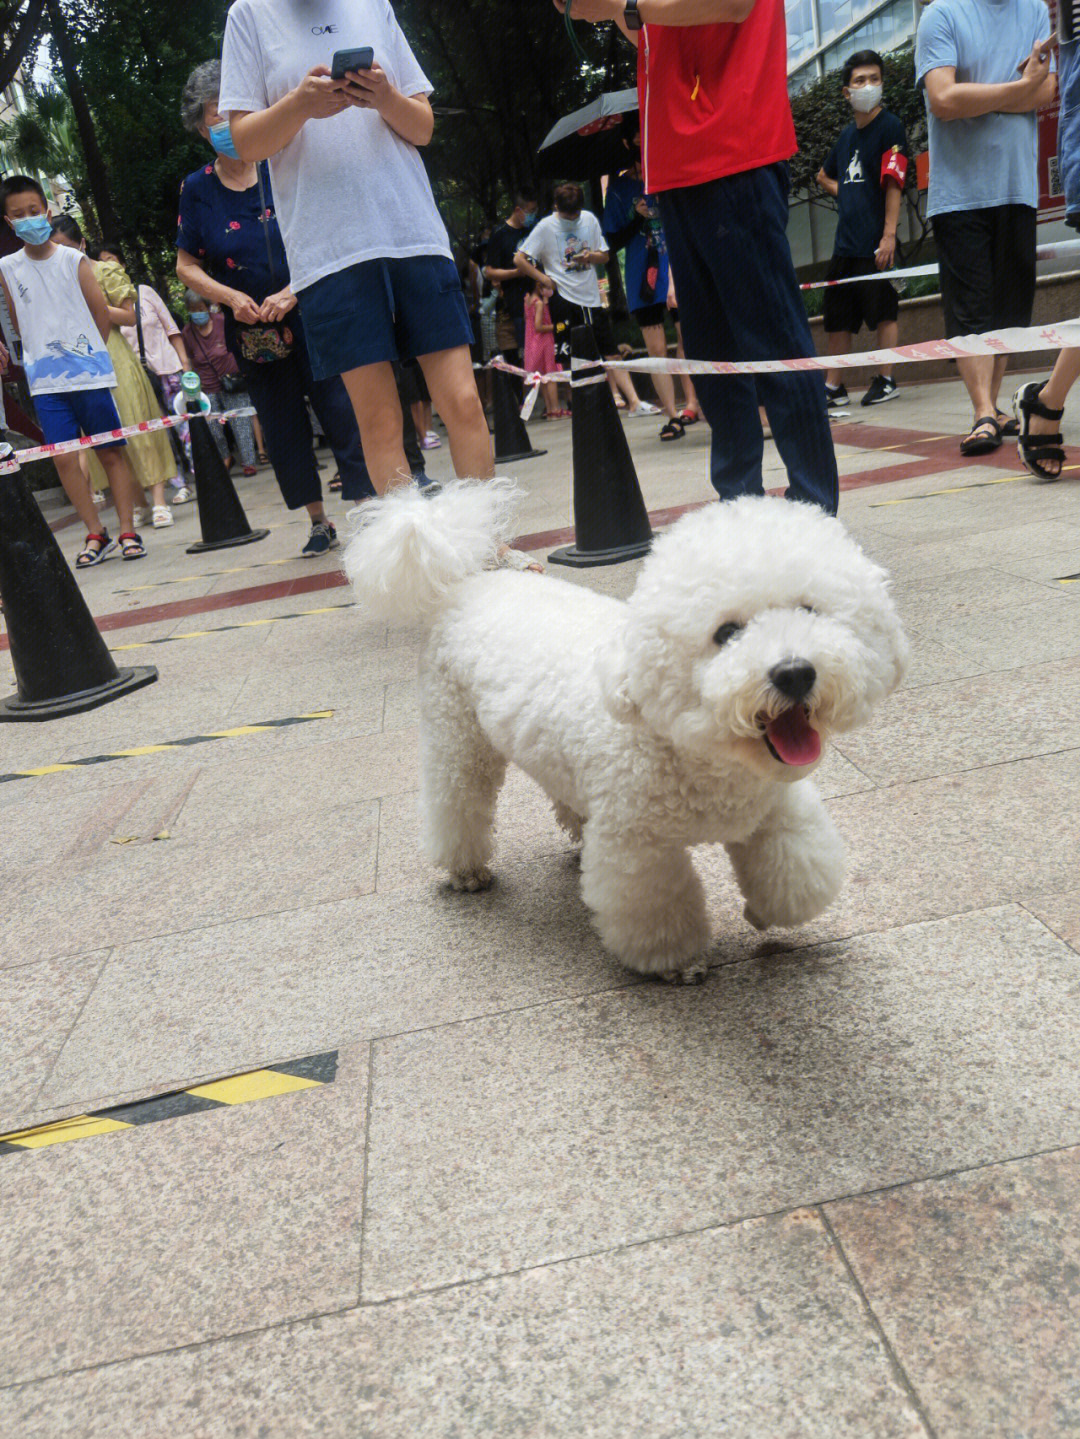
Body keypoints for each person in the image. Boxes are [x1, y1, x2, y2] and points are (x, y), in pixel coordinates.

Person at [551, 0, 838, 514]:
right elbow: (657, 39)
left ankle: (814, 514)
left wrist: (620, 4)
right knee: (712, 356)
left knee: (773, 341)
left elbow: (731, 4)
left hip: (732, 149)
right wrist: (607, 12)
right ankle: (738, 512)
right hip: (681, 168)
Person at [218, 3, 499, 501]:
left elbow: (423, 127)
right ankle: (412, 569)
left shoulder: (373, 4)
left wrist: (384, 94)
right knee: (379, 422)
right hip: (329, 248)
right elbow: (244, 142)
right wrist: (300, 103)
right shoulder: (249, 13)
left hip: (412, 230)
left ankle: (491, 544)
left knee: (463, 401)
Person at [178, 59, 375, 557]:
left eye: (232, 114)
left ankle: (370, 510)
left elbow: (330, 228)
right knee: (283, 425)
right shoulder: (197, 188)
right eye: (212, 120)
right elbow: (186, 265)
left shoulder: (285, 158)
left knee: (342, 409)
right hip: (252, 330)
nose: (224, 127)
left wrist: (294, 287)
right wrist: (229, 298)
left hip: (314, 309)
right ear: (200, 129)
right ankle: (318, 522)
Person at [916, 0, 1055, 456]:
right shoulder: (942, 14)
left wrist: (979, 98)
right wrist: (1015, 90)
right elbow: (942, 99)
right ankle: (981, 411)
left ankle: (994, 408)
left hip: (1017, 187)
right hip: (960, 193)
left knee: (1010, 311)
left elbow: (1045, 91)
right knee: (970, 314)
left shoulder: (1034, 10)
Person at [0, 175, 146, 562]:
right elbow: (16, 321)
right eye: (19, 215)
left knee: (110, 451)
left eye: (34, 210)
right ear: (8, 221)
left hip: (89, 374)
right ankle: (95, 533)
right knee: (65, 457)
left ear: (46, 210)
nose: (29, 218)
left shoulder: (73, 259)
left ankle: (128, 531)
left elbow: (100, 313)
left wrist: (86, 355)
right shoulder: (7, 267)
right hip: (46, 382)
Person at [50, 221, 180, 530]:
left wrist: (95, 308)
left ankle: (159, 499)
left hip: (115, 355)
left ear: (81, 243)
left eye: (66, 247)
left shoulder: (105, 271)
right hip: (82, 361)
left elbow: (129, 316)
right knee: (105, 435)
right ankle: (138, 502)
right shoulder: (55, 280)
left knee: (138, 423)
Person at [514, 181, 658, 417]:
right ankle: (587, 409)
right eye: (567, 215)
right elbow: (519, 259)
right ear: (555, 207)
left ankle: (634, 402)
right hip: (563, 299)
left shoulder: (589, 219)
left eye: (575, 214)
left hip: (591, 298)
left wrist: (591, 256)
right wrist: (543, 278)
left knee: (610, 351)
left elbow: (604, 255)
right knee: (571, 356)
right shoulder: (545, 227)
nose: (572, 219)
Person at [816, 50, 908, 410]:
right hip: (845, 245)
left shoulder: (891, 128)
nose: (868, 85)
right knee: (837, 317)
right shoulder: (845, 138)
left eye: (874, 78)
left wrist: (888, 235)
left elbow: (894, 185)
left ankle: (886, 379)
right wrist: (849, 193)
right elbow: (824, 175)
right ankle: (833, 387)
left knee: (883, 311)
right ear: (846, 92)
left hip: (875, 241)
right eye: (859, 80)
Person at [603, 125, 687, 439]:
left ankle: (698, 404)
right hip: (643, 279)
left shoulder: (667, 175)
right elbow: (612, 240)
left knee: (689, 341)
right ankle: (673, 415)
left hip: (678, 270)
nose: (640, 165)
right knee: (657, 351)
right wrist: (637, 216)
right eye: (635, 160)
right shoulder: (618, 189)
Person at [113, 263, 196, 503]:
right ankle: (179, 483)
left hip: (169, 370)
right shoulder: (103, 304)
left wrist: (185, 364)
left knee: (187, 428)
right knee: (159, 434)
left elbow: (171, 328)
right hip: (137, 378)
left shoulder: (145, 292)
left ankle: (203, 474)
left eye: (113, 261)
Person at [179, 290, 261, 476]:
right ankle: (226, 457)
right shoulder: (187, 332)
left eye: (200, 308)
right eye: (193, 310)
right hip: (207, 386)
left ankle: (248, 462)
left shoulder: (222, 322)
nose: (197, 313)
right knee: (213, 428)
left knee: (240, 422)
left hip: (233, 382)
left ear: (208, 308)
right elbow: (190, 359)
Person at [484, 189, 539, 374]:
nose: (532, 215)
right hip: (515, 304)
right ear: (518, 210)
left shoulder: (533, 230)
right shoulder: (500, 235)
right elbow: (490, 272)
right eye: (529, 211)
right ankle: (524, 399)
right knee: (522, 357)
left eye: (534, 211)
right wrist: (516, 272)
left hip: (538, 300)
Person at [523, 271, 568, 418]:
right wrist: (559, 326)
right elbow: (539, 327)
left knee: (541, 376)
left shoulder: (527, 300)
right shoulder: (539, 303)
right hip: (544, 340)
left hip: (532, 341)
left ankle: (549, 409)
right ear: (537, 284)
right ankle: (555, 409)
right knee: (551, 374)